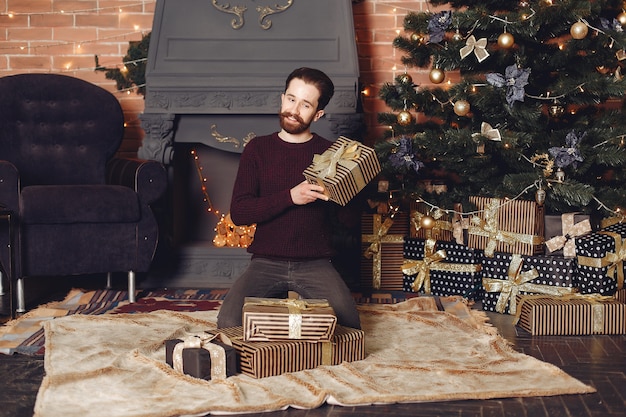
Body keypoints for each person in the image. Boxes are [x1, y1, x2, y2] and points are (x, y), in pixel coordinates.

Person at [216, 67, 361, 329]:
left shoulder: (329, 153)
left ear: (317, 114)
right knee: (228, 323)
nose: (294, 110)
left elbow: (348, 221)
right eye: (291, 99)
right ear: (282, 98)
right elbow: (240, 213)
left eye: (305, 105)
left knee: (349, 327)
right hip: (265, 261)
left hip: (316, 263)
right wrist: (291, 197)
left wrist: (347, 191)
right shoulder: (258, 149)